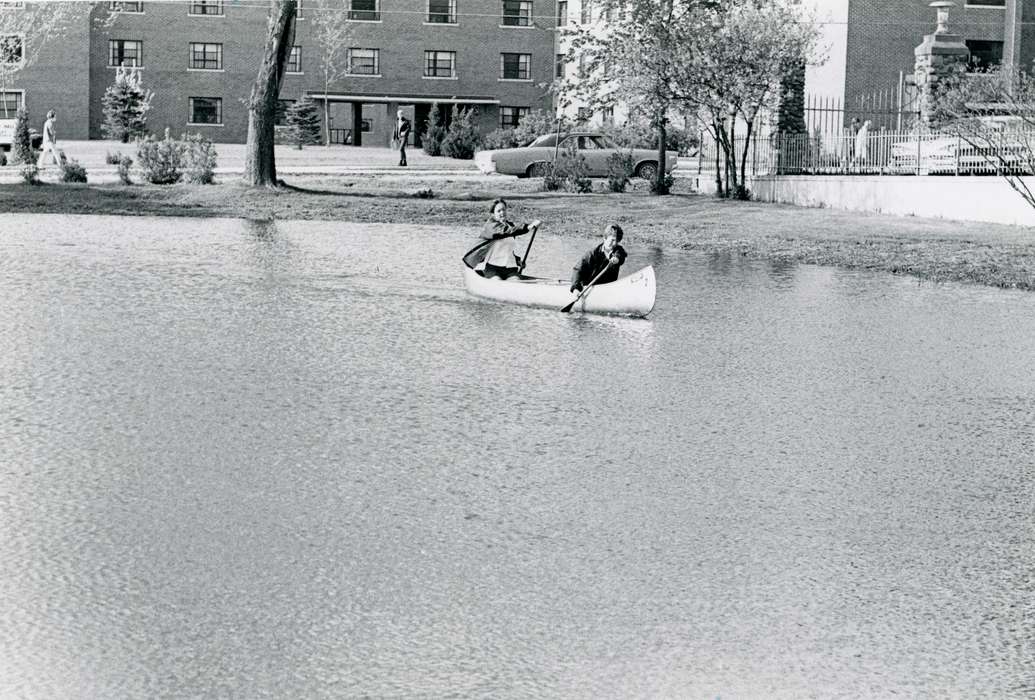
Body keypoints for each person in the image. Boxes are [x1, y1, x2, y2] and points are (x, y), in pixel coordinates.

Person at [479, 198, 540, 280]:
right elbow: (505, 231)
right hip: (492, 268)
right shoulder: (490, 227)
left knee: (516, 281)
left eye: (504, 210)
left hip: (509, 268)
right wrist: (528, 227)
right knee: (497, 281)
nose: (502, 213)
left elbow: (507, 249)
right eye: (499, 211)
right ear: (493, 214)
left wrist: (517, 260)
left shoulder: (510, 226)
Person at [570, 223, 627, 293]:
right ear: (605, 238)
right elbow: (577, 270)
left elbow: (621, 256)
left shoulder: (618, 251)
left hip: (608, 288)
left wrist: (617, 259)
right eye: (612, 240)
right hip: (588, 288)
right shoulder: (592, 254)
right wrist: (575, 288)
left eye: (617, 241)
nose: (614, 243)